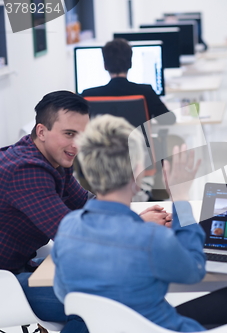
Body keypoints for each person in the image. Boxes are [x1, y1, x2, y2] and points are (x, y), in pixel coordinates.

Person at [52, 115, 227, 331]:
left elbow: (63, 294)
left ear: (87, 169)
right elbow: (195, 269)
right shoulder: (150, 238)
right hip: (159, 327)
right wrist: (181, 197)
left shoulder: (67, 229)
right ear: (137, 170)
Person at [0, 91, 169, 333]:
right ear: (41, 131)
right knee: (103, 300)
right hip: (5, 284)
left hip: (20, 267)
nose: (77, 145)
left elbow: (86, 204)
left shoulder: (54, 160)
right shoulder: (26, 170)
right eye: (69, 134)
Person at [81, 38, 176, 125]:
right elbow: (169, 120)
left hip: (99, 144)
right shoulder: (146, 92)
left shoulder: (88, 95)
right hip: (138, 143)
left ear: (105, 65)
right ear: (130, 64)